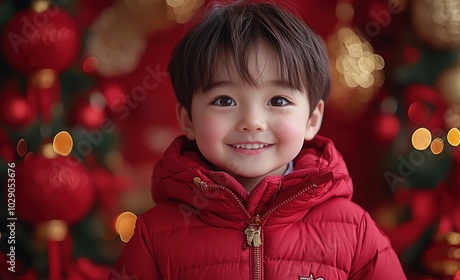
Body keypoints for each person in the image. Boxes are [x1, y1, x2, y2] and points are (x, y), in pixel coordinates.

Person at [110, 1, 407, 279]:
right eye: (224, 101)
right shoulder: (156, 233)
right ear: (187, 119)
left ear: (312, 119)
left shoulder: (355, 231)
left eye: (278, 100)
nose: (252, 122)